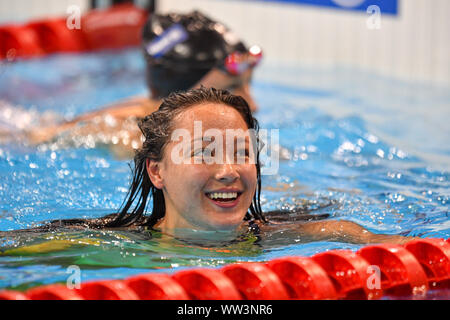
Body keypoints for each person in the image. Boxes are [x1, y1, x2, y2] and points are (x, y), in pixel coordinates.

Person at [15, 87, 414, 245]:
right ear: (157, 172)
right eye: (205, 152)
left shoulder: (326, 234)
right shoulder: (97, 244)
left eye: (242, 152)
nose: (229, 170)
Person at [24, 11, 262, 158]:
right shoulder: (130, 132)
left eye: (247, 85)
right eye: (231, 89)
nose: (253, 104)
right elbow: (34, 138)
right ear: (182, 94)